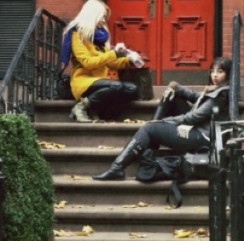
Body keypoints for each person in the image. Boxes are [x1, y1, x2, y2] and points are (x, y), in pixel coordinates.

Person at [93, 57, 232, 181]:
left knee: (150, 128)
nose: (215, 75)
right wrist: (177, 88)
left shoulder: (221, 95)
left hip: (201, 138)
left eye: (220, 71)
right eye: (212, 71)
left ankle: (117, 167)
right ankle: (150, 137)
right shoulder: (217, 90)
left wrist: (164, 122)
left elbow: (193, 117)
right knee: (173, 96)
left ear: (228, 74)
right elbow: (197, 98)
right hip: (197, 131)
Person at [61, 0, 141, 122]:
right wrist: (113, 53)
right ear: (92, 15)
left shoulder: (100, 36)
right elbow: (88, 63)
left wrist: (129, 60)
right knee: (117, 86)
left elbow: (110, 62)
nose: (104, 20)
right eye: (102, 16)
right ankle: (81, 107)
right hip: (83, 81)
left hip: (102, 81)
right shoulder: (77, 34)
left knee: (133, 89)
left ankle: (98, 109)